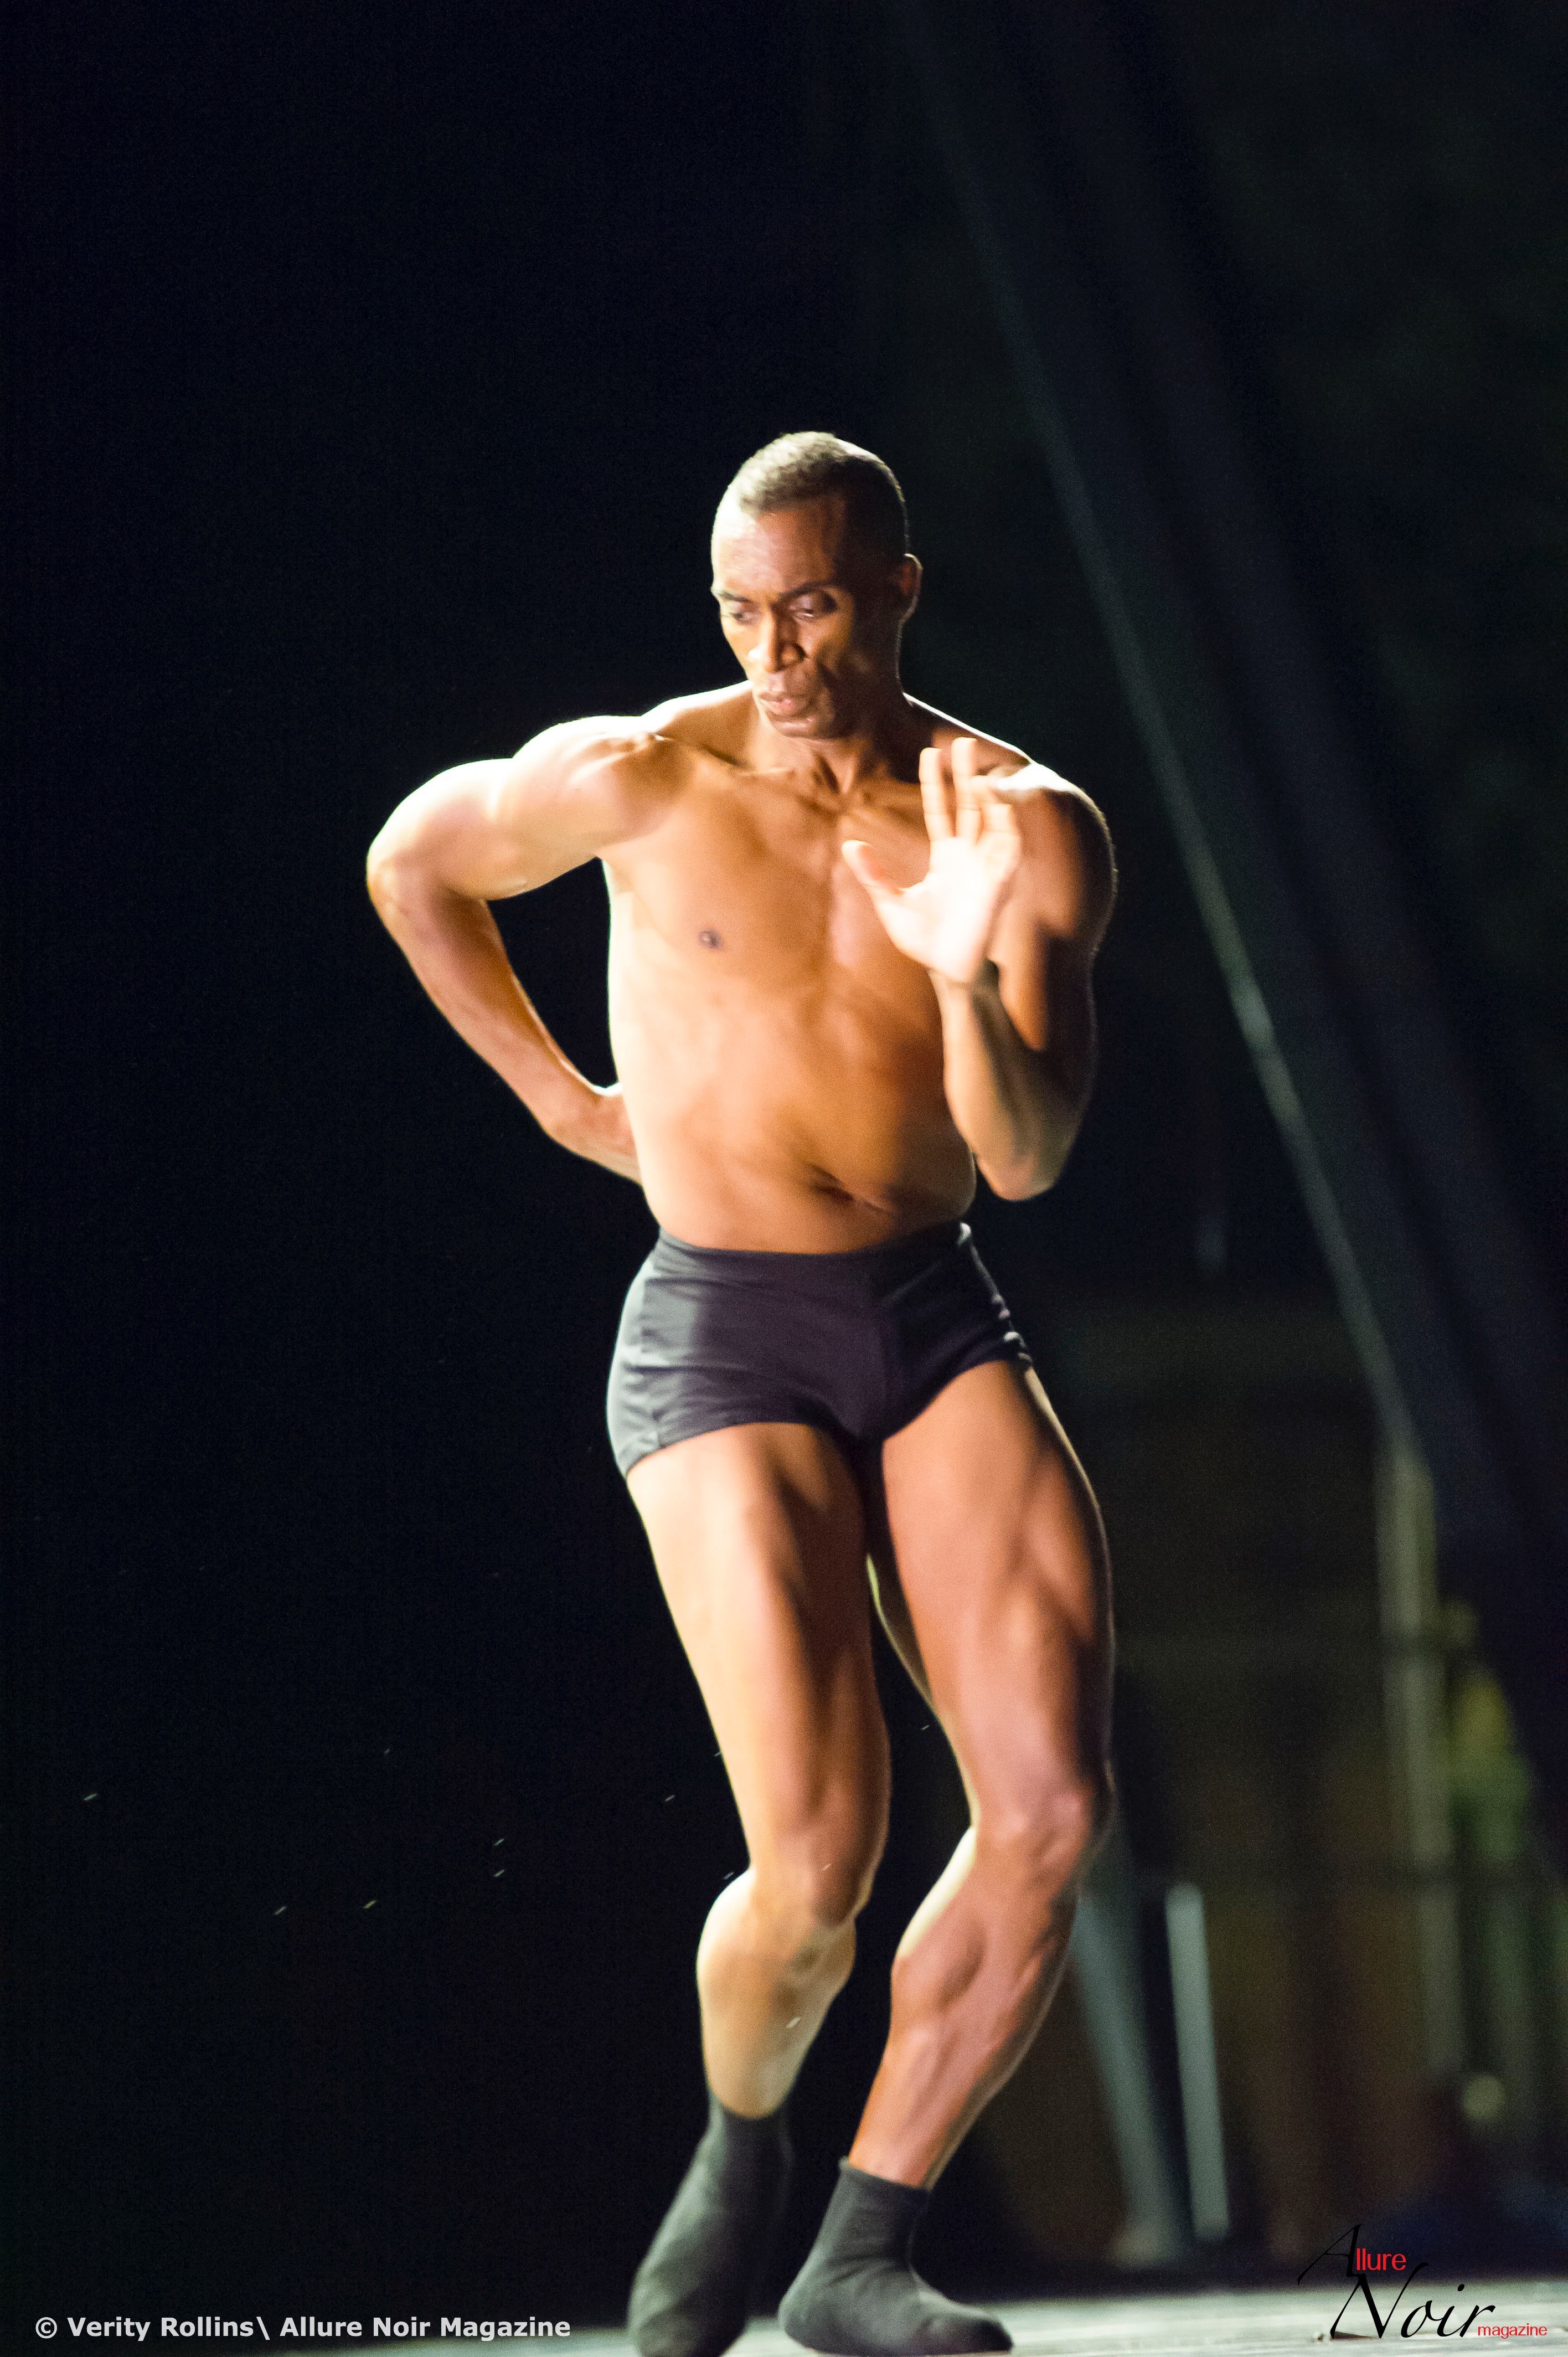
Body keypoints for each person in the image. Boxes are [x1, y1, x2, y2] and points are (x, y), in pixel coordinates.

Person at [367, 434, 1116, 2357]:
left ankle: (860, 2249)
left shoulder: (1020, 826)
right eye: (741, 614)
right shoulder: (642, 774)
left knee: (1048, 1811)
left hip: (930, 1310)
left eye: (816, 608)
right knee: (820, 1863)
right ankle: (742, 2139)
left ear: (900, 592)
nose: (775, 657)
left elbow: (1026, 1158)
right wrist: (563, 1104)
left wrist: (961, 980)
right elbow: (414, 862)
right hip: (723, 1328)